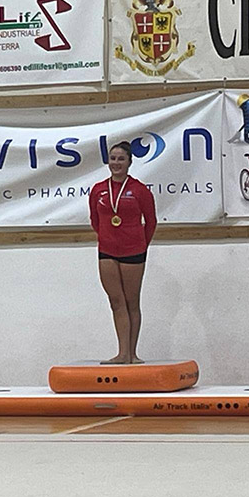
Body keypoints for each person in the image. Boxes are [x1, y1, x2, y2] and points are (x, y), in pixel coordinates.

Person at [89, 141, 157, 364]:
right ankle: (122, 353)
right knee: (116, 302)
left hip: (133, 251)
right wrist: (107, 238)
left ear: (129, 162)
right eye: (113, 158)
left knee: (131, 302)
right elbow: (95, 220)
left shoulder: (139, 190)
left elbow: (151, 222)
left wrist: (140, 244)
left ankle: (132, 354)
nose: (116, 163)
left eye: (121, 159)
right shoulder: (98, 189)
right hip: (107, 251)